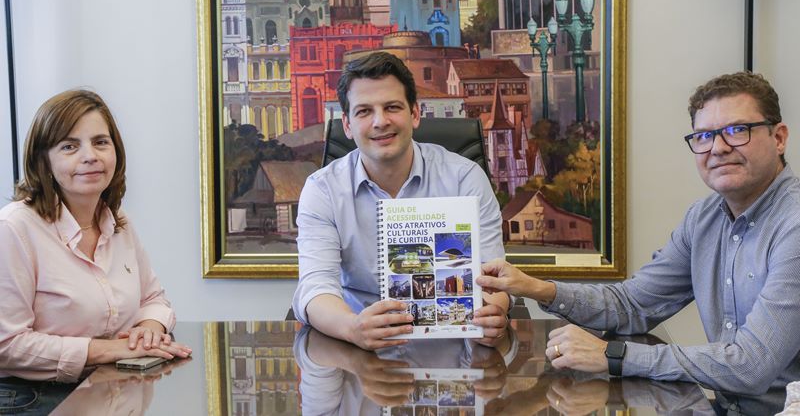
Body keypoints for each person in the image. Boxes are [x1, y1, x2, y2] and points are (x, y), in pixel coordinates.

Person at [477, 72, 800, 393]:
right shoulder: (704, 219)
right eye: (703, 136)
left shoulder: (794, 224)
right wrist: (536, 287)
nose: (718, 148)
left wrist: (614, 356)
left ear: (779, 137)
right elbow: (633, 305)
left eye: (736, 130)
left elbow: (751, 365)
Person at [291, 52, 510, 350]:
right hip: (357, 348)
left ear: (415, 114)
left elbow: (493, 278)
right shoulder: (322, 190)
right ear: (346, 124)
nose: (380, 121)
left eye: (392, 107)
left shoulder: (464, 178)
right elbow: (316, 289)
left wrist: (493, 313)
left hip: (452, 350)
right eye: (364, 111)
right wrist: (354, 328)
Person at [0, 90, 191, 388]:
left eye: (101, 142)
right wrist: (107, 350)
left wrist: (149, 329)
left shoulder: (119, 222)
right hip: (35, 398)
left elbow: (153, 298)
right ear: (43, 161)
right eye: (69, 146)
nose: (90, 156)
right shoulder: (13, 229)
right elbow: (6, 345)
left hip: (113, 387)